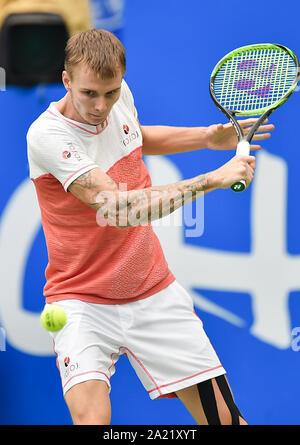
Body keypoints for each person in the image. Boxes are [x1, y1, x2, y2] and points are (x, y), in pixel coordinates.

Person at [27, 29, 274, 425]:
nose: (101, 106)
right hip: (81, 301)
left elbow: (134, 137)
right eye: (90, 94)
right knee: (91, 419)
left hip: (152, 290)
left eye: (110, 93)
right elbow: (120, 207)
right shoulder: (47, 136)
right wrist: (212, 178)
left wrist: (209, 138)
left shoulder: (118, 97)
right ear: (66, 80)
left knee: (226, 421)